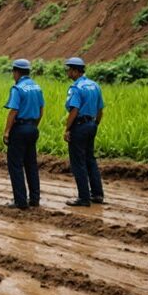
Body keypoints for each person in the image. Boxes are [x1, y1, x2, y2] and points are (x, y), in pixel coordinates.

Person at [63, 57, 105, 206]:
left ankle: (84, 198)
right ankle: (97, 194)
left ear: (75, 71)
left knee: (78, 162)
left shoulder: (76, 88)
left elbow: (74, 109)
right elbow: (100, 109)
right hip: (92, 124)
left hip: (79, 126)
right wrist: (95, 124)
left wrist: (67, 128)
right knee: (90, 160)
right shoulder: (95, 86)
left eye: (69, 70)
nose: (68, 72)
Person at [3, 59, 45, 209]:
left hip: (19, 129)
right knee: (31, 164)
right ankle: (35, 198)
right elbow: (41, 110)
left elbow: (13, 111)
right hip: (32, 128)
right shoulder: (37, 87)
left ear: (16, 72)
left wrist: (7, 131)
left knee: (15, 165)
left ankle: (20, 201)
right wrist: (34, 125)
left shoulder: (18, 88)